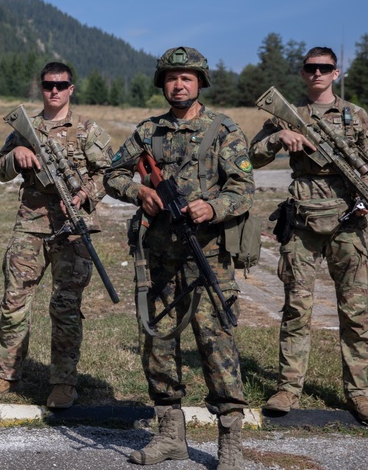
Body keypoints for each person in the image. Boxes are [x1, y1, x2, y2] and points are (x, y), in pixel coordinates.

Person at [104, 47, 253, 470]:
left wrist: (214, 207)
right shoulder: (148, 132)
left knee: (216, 344)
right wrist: (141, 192)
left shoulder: (222, 130)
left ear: (200, 83)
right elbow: (113, 175)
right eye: (171, 78)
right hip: (158, 259)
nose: (179, 84)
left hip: (207, 257)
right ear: (162, 84)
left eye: (187, 78)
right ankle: (170, 436)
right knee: (158, 342)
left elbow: (243, 188)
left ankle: (230, 444)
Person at [249, 46, 368, 425]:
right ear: (303, 73)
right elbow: (253, 155)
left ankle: (359, 393)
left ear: (336, 73)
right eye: (311, 68)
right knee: (297, 309)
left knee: (356, 312)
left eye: (325, 68)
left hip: (347, 221)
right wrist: (281, 140)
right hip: (303, 220)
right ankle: (288, 388)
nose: (317, 74)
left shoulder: (354, 115)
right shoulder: (286, 116)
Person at [0, 62, 113, 410]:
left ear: (71, 88)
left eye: (61, 84)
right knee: (14, 301)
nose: (54, 90)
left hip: (71, 229)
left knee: (66, 306)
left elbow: (108, 174)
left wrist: (85, 196)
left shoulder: (87, 130)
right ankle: (6, 376)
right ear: (42, 88)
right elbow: (2, 170)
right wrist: (16, 154)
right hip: (31, 226)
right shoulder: (27, 128)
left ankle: (64, 383)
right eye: (48, 85)